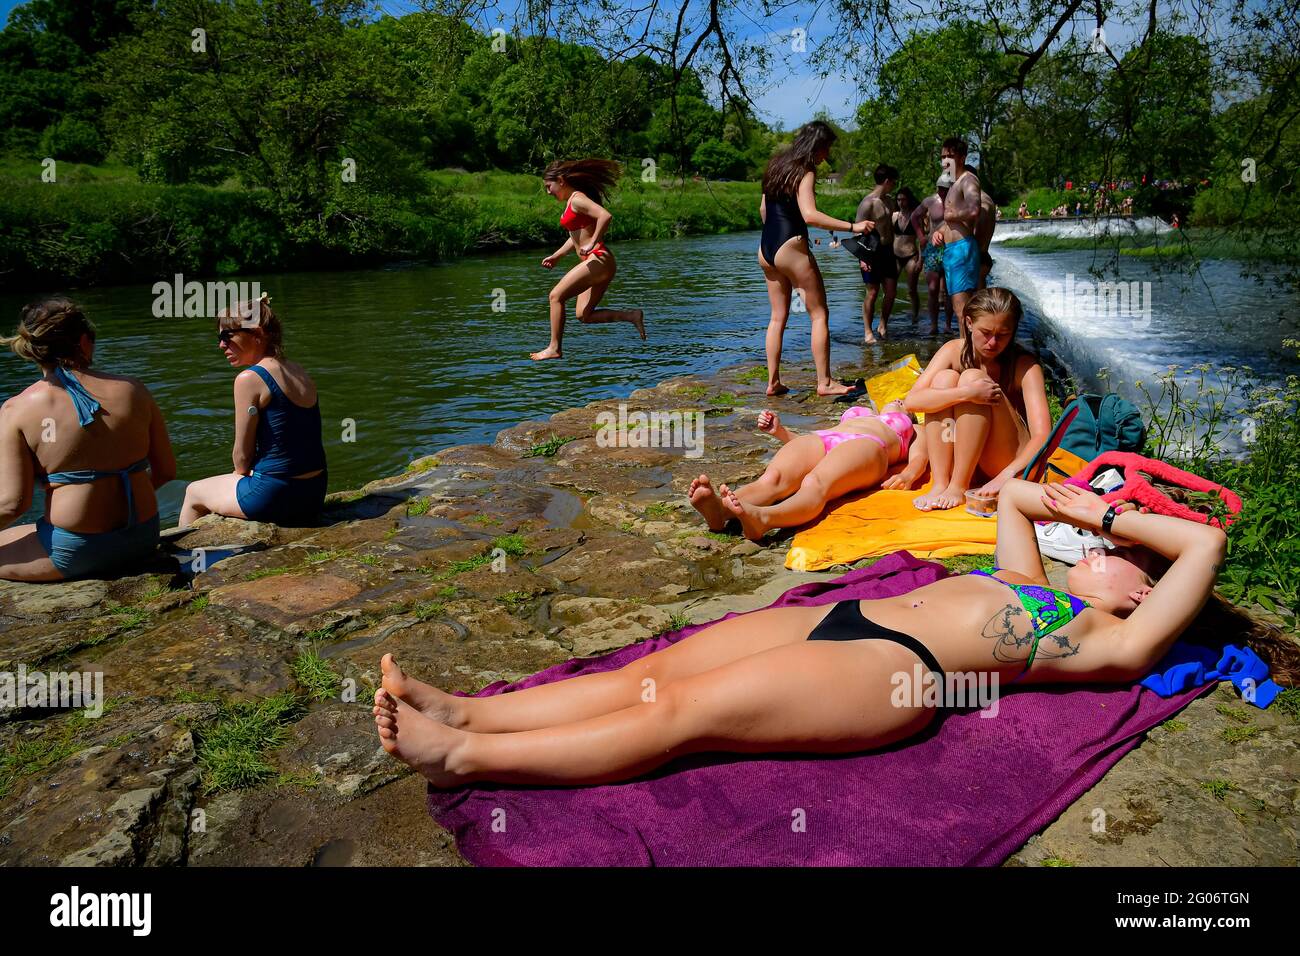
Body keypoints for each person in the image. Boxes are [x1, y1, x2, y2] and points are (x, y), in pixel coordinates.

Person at [370, 474, 1252, 790]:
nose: (1094, 544)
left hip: (894, 673)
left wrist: (1111, 511)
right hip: (843, 617)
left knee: (678, 713)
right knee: (652, 673)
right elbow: (1020, 496)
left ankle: (465, 761)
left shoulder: (1108, 640)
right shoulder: (1027, 582)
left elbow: (1205, 539)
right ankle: (469, 712)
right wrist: (1069, 509)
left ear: (1144, 592)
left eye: (1114, 553)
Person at [0, 297, 175, 581]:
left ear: (32, 350)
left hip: (77, 552)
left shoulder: (16, 409)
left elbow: (12, 504)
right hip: (143, 536)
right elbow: (166, 471)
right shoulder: (134, 390)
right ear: (83, 341)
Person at [179, 295, 327, 528]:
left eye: (227, 337)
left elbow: (241, 459)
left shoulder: (249, 378)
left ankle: (183, 562)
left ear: (257, 334)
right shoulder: (299, 370)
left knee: (193, 492)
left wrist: (245, 473)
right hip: (315, 491)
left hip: (277, 495)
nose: (221, 345)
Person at [686, 399, 925, 541]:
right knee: (773, 479)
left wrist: (909, 474)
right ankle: (719, 512)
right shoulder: (863, 412)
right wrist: (781, 433)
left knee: (815, 483)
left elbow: (921, 454)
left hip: (868, 445)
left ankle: (764, 519)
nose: (900, 400)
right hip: (826, 437)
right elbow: (802, 446)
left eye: (905, 405)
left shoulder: (913, 428)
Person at [906, 287, 1052, 512]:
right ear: (969, 323)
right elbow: (913, 401)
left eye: (1003, 335)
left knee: (973, 377)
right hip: (966, 454)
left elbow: (1042, 435)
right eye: (986, 332)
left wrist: (1006, 476)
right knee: (946, 379)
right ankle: (941, 482)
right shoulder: (953, 350)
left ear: (1012, 332)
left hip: (1006, 460)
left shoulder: (1025, 365)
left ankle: (958, 486)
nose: (993, 343)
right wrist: (966, 394)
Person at [756, 121, 873, 397]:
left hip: (765, 247)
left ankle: (773, 382)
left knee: (777, 317)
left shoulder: (775, 166)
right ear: (817, 146)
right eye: (827, 149)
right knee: (819, 313)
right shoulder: (804, 170)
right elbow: (809, 215)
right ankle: (825, 382)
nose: (826, 156)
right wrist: (853, 227)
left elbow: (763, 209)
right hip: (790, 244)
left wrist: (776, 238)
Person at [530, 159, 646, 361]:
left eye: (549, 186)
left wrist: (593, 242)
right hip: (601, 263)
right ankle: (631, 315)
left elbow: (605, 216)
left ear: (560, 180)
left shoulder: (577, 199)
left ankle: (554, 348)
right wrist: (558, 255)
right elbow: (575, 235)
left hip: (598, 259)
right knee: (584, 315)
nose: (548, 192)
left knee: (555, 296)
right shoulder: (573, 201)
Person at [930, 138, 982, 327]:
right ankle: (966, 352)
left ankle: (968, 355)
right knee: (959, 308)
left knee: (963, 311)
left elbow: (975, 209)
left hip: (963, 249)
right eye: (943, 156)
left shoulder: (968, 179)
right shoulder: (953, 182)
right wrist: (940, 231)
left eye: (950, 156)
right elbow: (950, 219)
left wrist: (952, 215)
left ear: (962, 157)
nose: (945, 161)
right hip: (952, 250)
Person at [856, 164, 899, 344]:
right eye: (893, 182)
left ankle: (883, 325)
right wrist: (862, 258)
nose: (895, 185)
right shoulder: (868, 203)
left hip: (888, 251)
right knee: (872, 293)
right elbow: (857, 231)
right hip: (872, 251)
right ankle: (867, 331)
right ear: (887, 181)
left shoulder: (889, 201)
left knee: (890, 292)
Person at [914, 175, 951, 335]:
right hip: (932, 248)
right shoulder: (930, 201)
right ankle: (934, 325)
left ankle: (948, 325)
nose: (942, 192)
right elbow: (914, 217)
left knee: (950, 290)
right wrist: (921, 235)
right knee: (933, 288)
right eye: (940, 189)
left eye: (946, 189)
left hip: (950, 247)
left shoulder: (957, 201)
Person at [893, 186, 922, 325]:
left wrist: (920, 260)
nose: (901, 202)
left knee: (911, 289)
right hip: (895, 256)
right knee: (890, 288)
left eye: (903, 199)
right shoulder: (894, 216)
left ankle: (915, 317)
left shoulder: (915, 216)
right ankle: (887, 318)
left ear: (908, 200)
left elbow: (921, 240)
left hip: (911, 255)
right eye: (898, 200)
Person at [975, 190, 997, 289]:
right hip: (983, 255)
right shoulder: (987, 199)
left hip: (978, 256)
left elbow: (978, 232)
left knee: (976, 298)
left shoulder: (981, 202)